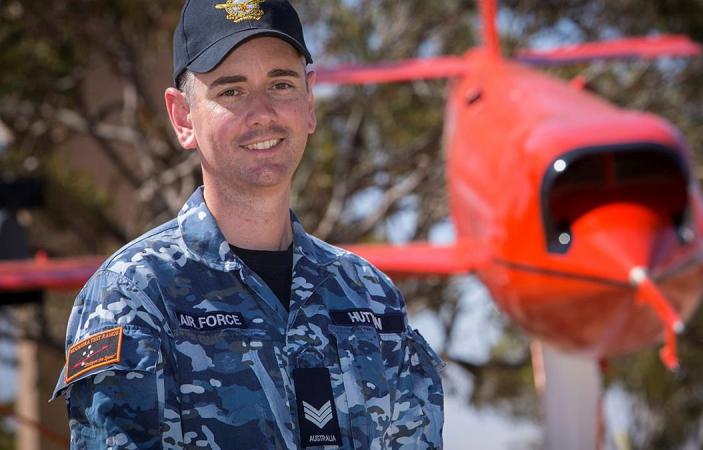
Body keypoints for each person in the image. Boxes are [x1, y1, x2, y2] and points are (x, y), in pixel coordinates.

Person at [51, 0, 445, 448]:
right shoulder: (135, 293)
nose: (261, 112)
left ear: (309, 101)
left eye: (281, 84)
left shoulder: (369, 295)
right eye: (231, 91)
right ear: (183, 117)